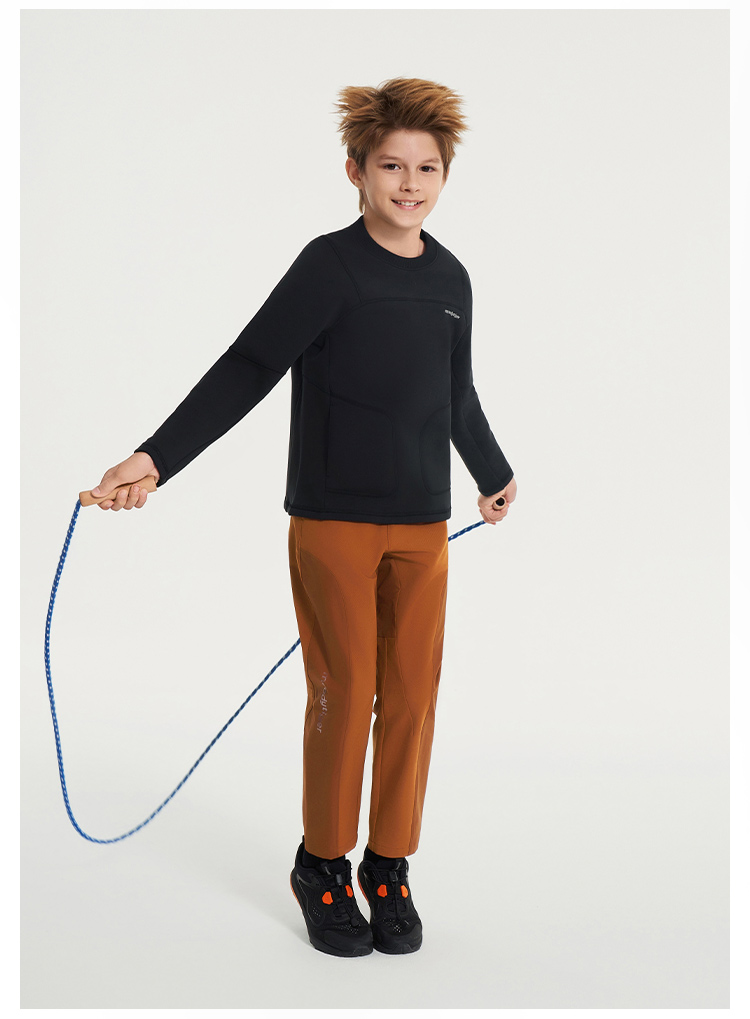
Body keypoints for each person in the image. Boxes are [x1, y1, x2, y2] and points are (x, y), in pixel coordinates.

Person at [90, 76, 517, 958]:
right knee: (345, 690)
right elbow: (248, 365)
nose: (409, 183)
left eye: (426, 168)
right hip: (332, 521)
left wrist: (493, 470)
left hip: (423, 524)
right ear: (355, 170)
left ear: (446, 175)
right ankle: (322, 861)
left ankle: (389, 861)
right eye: (390, 165)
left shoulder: (452, 278)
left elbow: (457, 391)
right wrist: (156, 457)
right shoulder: (329, 267)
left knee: (412, 695)